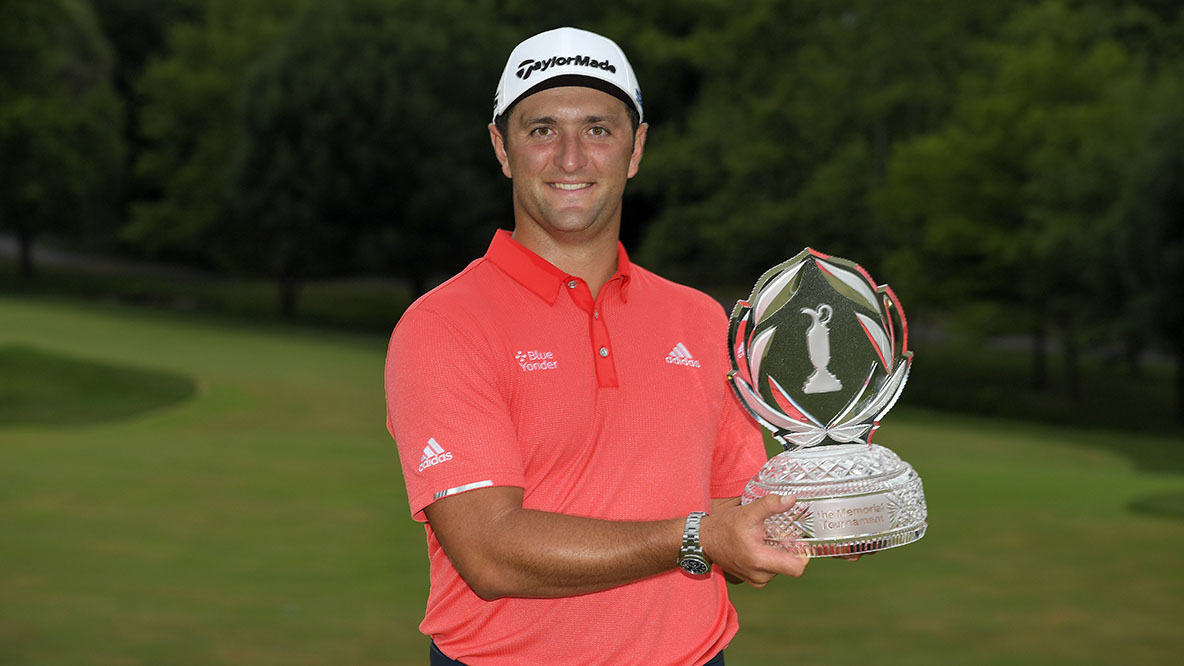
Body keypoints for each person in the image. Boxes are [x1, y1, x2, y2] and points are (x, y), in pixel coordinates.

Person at [385, 27, 813, 666]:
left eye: (598, 130)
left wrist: (831, 499)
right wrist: (695, 539)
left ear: (635, 149)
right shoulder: (444, 325)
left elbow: (734, 510)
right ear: (501, 148)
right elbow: (489, 552)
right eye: (541, 130)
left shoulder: (700, 320)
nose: (570, 158)